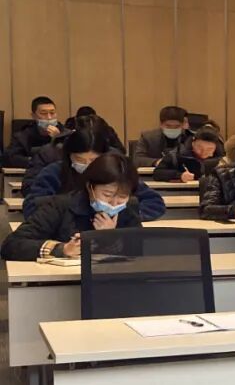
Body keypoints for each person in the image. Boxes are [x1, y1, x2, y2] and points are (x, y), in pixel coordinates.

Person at [2, 154, 142, 261]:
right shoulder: (60, 206)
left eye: (122, 196)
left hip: (111, 282)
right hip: (59, 282)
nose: (114, 203)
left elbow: (141, 251)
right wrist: (61, 249)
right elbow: (11, 245)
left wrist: (111, 237)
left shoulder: (128, 208)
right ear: (90, 187)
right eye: (107, 195)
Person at [23, 128, 166, 221]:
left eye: (93, 160)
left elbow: (154, 203)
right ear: (69, 156)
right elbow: (32, 206)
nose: (87, 165)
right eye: (79, 160)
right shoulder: (54, 172)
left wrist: (120, 214)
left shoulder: (116, 173)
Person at [4, 96, 62, 168]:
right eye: (43, 113)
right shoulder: (22, 136)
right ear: (33, 116)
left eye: (52, 113)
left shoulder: (66, 133)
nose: (49, 117)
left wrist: (58, 139)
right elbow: (10, 158)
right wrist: (36, 161)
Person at [152, 127, 225, 182]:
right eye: (199, 147)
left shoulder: (223, 158)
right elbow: (158, 173)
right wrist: (179, 175)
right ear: (193, 143)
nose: (203, 152)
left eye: (209, 149)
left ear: (216, 147)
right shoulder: (177, 154)